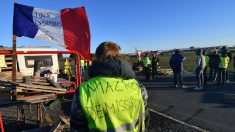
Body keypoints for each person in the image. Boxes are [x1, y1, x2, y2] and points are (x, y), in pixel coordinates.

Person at [70, 41, 149, 132]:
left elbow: (77, 128)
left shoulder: (83, 91)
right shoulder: (138, 86)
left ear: (97, 58)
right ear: (119, 56)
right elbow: (145, 119)